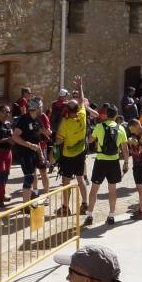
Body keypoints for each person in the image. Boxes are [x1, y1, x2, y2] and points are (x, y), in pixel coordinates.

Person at [85, 104, 129, 226]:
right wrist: (126, 163)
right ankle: (111, 215)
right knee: (112, 190)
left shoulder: (99, 126)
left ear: (106, 114)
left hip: (100, 161)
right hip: (114, 162)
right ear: (116, 115)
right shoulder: (121, 128)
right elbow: (125, 149)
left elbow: (90, 140)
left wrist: (91, 133)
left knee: (94, 189)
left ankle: (90, 215)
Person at [56, 76, 89, 215]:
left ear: (67, 111)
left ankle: (65, 207)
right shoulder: (82, 115)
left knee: (66, 181)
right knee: (80, 179)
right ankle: (85, 204)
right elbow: (82, 100)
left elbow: (59, 141)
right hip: (81, 153)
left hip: (68, 156)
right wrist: (80, 86)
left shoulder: (65, 123)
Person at [13, 99, 51, 203]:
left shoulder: (37, 119)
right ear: (37, 108)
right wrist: (29, 145)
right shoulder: (23, 120)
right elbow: (15, 137)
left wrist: (40, 154)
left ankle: (44, 197)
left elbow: (36, 139)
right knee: (29, 177)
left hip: (36, 152)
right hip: (25, 153)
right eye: (41, 107)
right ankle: (26, 205)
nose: (42, 108)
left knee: (42, 172)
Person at [126, 119, 142, 220]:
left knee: (141, 189)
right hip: (138, 164)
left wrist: (137, 145)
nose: (131, 132)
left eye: (132, 129)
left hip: (141, 165)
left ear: (137, 126)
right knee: (141, 188)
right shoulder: (138, 135)